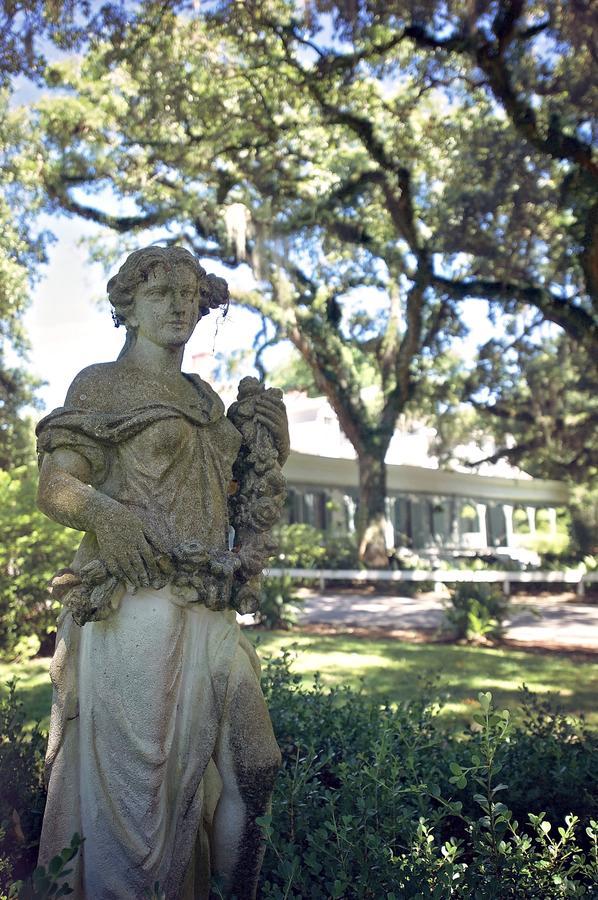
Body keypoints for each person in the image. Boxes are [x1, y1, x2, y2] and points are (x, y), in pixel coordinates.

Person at [35, 246, 289, 899]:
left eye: (189, 294)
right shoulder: (101, 385)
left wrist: (266, 446)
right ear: (129, 306)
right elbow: (56, 485)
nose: (179, 305)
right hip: (135, 611)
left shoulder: (207, 402)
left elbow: (240, 503)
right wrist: (105, 516)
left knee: (256, 764)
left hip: (210, 607)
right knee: (144, 816)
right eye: (160, 293)